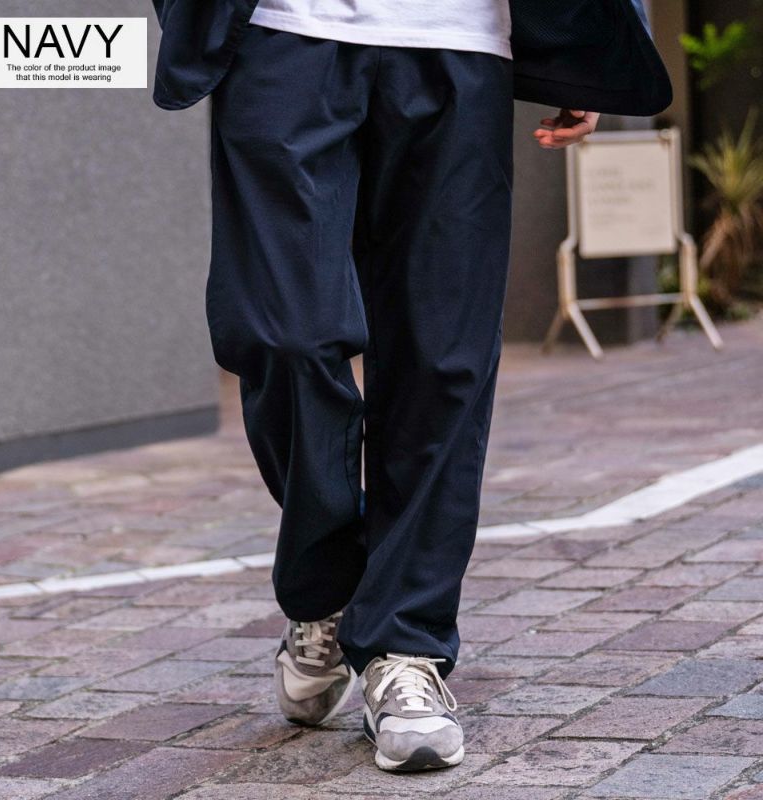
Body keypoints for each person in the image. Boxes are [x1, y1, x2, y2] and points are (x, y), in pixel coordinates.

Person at [150, 0, 672, 773]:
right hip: (286, 34)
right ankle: (326, 589)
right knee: (282, 333)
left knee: (443, 356)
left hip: (461, 39)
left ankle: (405, 647)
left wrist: (593, 38)